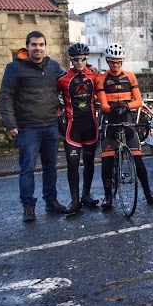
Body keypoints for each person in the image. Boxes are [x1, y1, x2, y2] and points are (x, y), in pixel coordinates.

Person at [0, 30, 68, 221]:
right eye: (34, 45)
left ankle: (51, 201)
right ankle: (28, 207)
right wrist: (10, 124)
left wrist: (91, 70)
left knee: (51, 166)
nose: (38, 48)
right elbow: (6, 96)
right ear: (27, 46)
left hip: (50, 126)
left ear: (45, 47)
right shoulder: (14, 68)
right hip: (27, 128)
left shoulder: (53, 66)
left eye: (41, 45)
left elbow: (70, 79)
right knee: (27, 169)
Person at [95, 43, 153, 208]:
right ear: (107, 61)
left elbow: (138, 101)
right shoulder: (101, 79)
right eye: (112, 62)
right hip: (110, 121)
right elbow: (103, 106)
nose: (115, 65)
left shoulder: (129, 76)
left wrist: (126, 106)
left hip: (126, 119)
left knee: (138, 159)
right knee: (107, 161)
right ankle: (108, 197)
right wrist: (112, 108)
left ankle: (148, 193)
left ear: (122, 62)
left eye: (118, 62)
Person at [56, 42, 100, 214]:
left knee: (89, 162)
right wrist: (58, 116)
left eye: (83, 59)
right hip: (73, 128)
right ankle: (75, 201)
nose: (79, 62)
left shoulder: (95, 76)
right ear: (71, 60)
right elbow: (52, 98)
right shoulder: (62, 79)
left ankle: (86, 195)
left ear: (86, 59)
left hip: (91, 126)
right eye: (76, 59)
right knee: (72, 163)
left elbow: (107, 89)